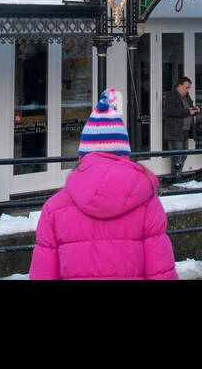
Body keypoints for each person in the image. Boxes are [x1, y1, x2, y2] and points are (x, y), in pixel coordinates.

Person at [29, 89, 176, 280]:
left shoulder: (53, 208)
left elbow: (43, 274)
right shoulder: (148, 204)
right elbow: (160, 272)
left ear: (82, 155)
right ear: (124, 154)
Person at [161, 76, 200, 179]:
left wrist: (195, 110)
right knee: (177, 156)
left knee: (184, 155)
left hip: (185, 130)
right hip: (174, 130)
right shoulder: (171, 96)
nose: (187, 90)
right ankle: (176, 177)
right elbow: (169, 111)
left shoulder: (186, 96)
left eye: (189, 88)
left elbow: (190, 108)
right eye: (186, 87)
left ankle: (178, 175)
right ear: (180, 85)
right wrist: (188, 112)